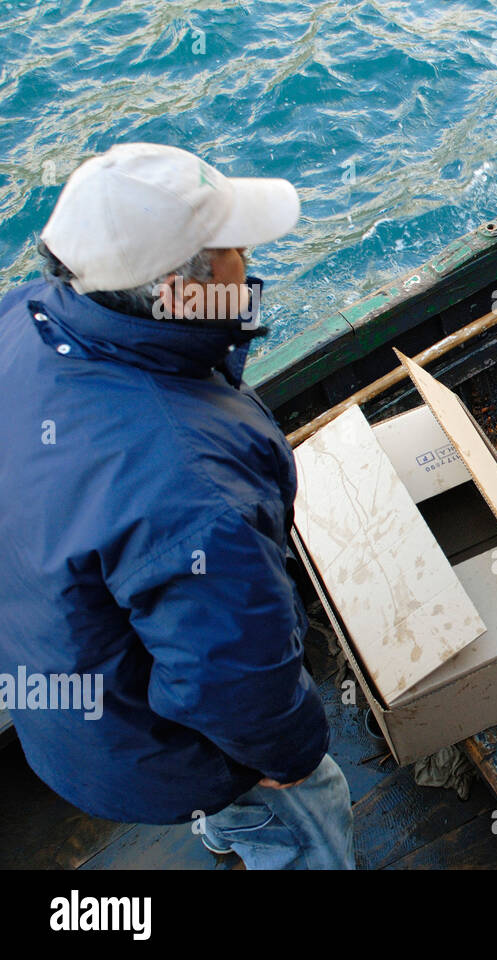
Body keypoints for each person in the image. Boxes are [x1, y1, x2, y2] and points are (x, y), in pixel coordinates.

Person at [0, 143, 354, 869]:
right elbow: (235, 686)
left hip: (59, 708)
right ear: (179, 293)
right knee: (307, 806)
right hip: (154, 752)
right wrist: (288, 756)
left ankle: (227, 829)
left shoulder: (21, 317)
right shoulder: (192, 487)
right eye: (229, 250)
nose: (248, 257)